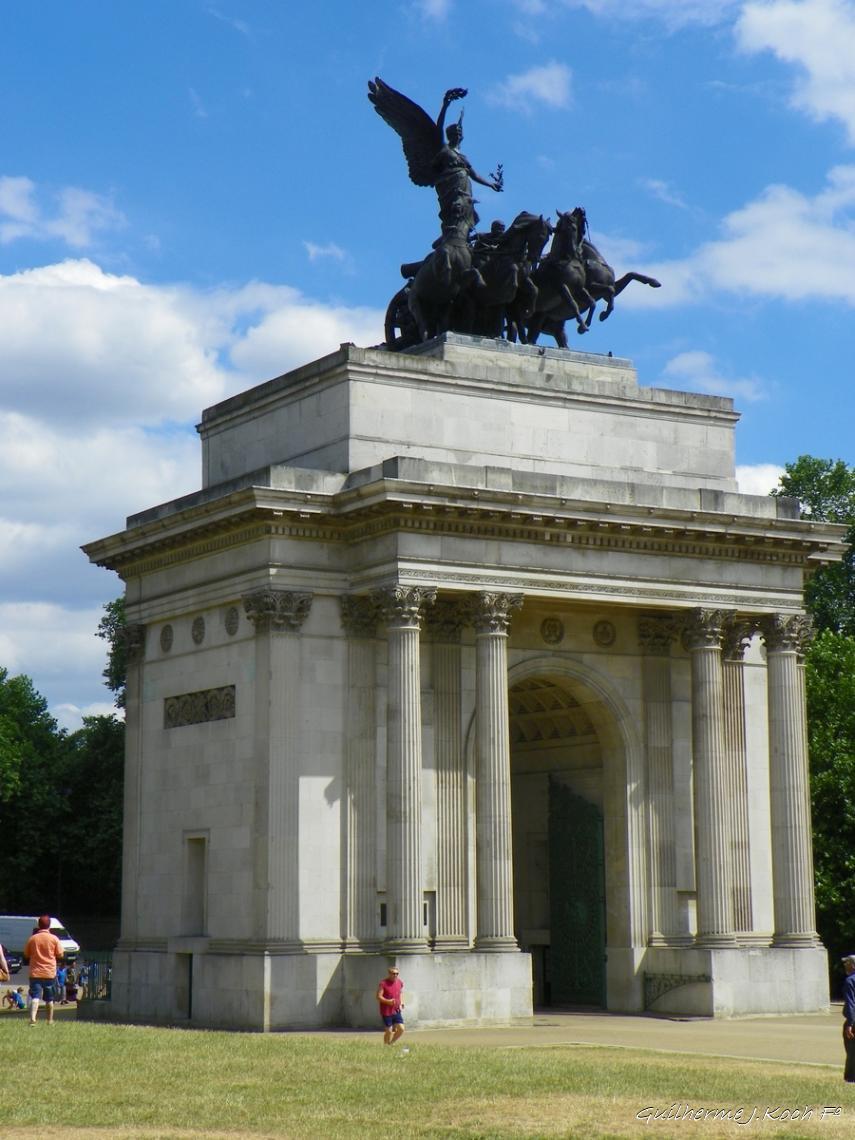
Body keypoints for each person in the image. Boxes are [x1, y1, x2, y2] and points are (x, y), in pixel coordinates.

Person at [23, 914, 63, 1025]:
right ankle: (50, 1020)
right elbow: (60, 954)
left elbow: (26, 954)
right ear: (49, 925)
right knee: (49, 998)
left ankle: (33, 1019)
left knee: (35, 996)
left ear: (39, 925)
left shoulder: (32, 939)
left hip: (35, 972)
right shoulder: (54, 939)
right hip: (49, 972)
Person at [377, 964, 405, 1045]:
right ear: (389, 974)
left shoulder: (399, 982)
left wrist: (401, 1001)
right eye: (393, 973)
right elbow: (378, 997)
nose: (395, 975)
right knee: (389, 1030)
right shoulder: (383, 983)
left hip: (396, 1010)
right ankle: (386, 1045)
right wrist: (388, 1001)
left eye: (397, 973)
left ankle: (391, 1043)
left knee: (401, 1029)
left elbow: (400, 992)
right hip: (386, 1011)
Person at [842, 954, 855, 1081]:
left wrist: (850, 1024)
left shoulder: (850, 980)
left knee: (852, 1051)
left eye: (847, 963)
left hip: (854, 1021)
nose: (845, 965)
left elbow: (851, 1003)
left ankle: (851, 1078)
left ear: (853, 965)